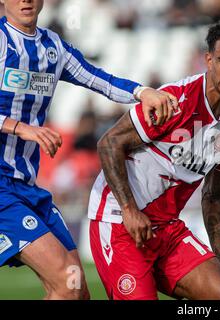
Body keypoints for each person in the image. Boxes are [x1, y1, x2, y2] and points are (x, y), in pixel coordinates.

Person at [0, 0, 178, 300]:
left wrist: (142, 92)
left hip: (27, 187)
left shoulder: (52, 47)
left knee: (77, 289)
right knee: (65, 282)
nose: (26, 0)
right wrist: (21, 127)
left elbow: (99, 79)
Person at [88, 19, 220, 300]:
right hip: (120, 223)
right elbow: (109, 143)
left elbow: (215, 196)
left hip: (167, 230)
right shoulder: (174, 101)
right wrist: (130, 211)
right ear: (208, 60)